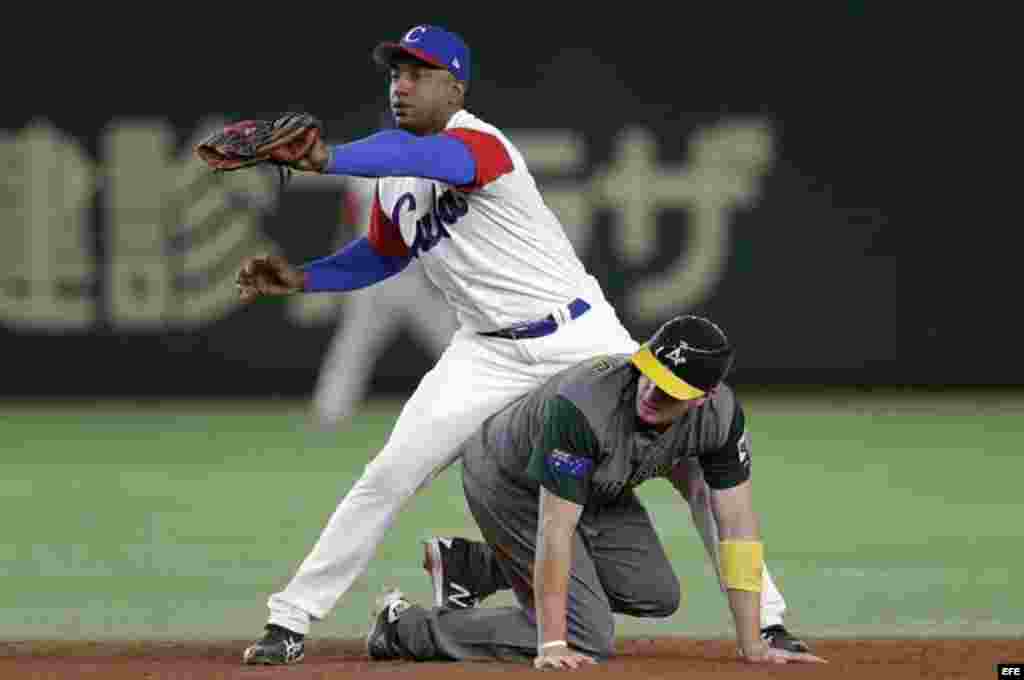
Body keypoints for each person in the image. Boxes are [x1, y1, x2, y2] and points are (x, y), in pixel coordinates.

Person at [236, 24, 804, 665]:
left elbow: (428, 158)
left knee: (693, 465)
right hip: (485, 353)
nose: (402, 85)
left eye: (418, 74)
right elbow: (383, 254)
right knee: (389, 474)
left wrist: (325, 159)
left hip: (579, 336)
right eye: (396, 73)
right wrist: (304, 278)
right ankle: (290, 619)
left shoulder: (479, 144)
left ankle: (769, 620)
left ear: (456, 88)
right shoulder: (393, 184)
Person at [364, 315, 827, 668]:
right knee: (586, 636)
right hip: (511, 480)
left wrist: (752, 641)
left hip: (592, 488)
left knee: (655, 594)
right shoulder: (587, 406)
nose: (651, 392)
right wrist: (552, 643)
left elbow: (737, 527)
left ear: (704, 397)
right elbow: (554, 530)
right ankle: (403, 628)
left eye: (671, 389)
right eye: (650, 372)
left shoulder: (721, 419)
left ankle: (473, 566)